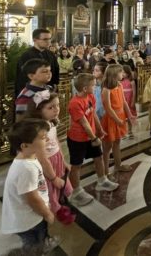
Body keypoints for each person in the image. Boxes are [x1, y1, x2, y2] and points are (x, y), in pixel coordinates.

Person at [1, 119, 61, 253]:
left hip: (31, 215)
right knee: (34, 244)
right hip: (29, 220)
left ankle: (44, 243)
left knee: (40, 235)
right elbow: (32, 199)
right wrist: (47, 213)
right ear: (25, 146)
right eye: (42, 138)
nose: (47, 139)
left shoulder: (28, 158)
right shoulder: (26, 169)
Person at [66, 74, 118, 207]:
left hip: (91, 135)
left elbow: (93, 114)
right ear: (84, 88)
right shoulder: (75, 103)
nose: (95, 87)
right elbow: (84, 123)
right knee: (76, 165)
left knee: (98, 157)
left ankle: (102, 181)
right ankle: (76, 192)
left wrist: (99, 130)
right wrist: (94, 138)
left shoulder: (90, 96)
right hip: (78, 139)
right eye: (93, 85)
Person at [24, 91, 75, 224]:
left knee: (59, 188)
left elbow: (56, 142)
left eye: (57, 105)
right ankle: (51, 212)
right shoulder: (38, 131)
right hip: (47, 165)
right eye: (51, 107)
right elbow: (42, 159)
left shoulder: (50, 123)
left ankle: (59, 205)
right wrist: (53, 178)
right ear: (38, 111)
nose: (56, 109)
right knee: (50, 189)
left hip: (56, 160)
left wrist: (63, 161)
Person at [100, 65, 132, 175]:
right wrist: (117, 120)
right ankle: (106, 173)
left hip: (120, 117)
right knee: (107, 148)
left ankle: (118, 166)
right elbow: (108, 108)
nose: (122, 74)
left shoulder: (119, 85)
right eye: (120, 72)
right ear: (114, 74)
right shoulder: (106, 89)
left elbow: (124, 102)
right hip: (111, 120)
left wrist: (130, 115)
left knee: (117, 143)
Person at [15, 29, 59, 97]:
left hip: (48, 91)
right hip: (32, 93)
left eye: (49, 39)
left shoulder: (51, 55)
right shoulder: (26, 56)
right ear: (35, 40)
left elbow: (56, 71)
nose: (48, 42)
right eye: (45, 39)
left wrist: (54, 87)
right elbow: (22, 78)